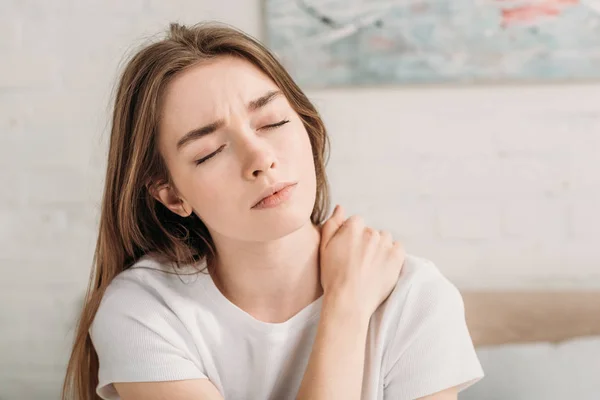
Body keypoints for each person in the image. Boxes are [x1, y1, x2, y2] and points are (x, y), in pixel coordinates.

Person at [61, 22, 484, 400]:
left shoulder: (415, 297)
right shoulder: (145, 310)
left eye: (273, 123)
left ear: (306, 126)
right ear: (171, 195)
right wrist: (346, 308)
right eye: (209, 152)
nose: (260, 159)